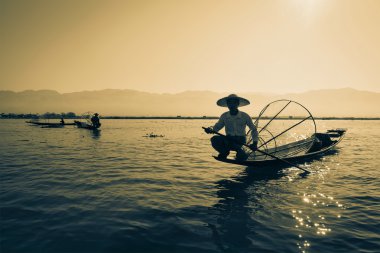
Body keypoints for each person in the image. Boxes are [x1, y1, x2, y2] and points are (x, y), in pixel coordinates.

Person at [204, 94, 259, 161]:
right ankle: (224, 152)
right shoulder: (224, 116)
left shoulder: (245, 116)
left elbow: (254, 129)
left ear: (237, 104)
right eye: (229, 103)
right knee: (214, 139)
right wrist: (210, 130)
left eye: (234, 103)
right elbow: (217, 127)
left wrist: (255, 143)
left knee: (241, 155)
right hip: (228, 139)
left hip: (241, 140)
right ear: (227, 104)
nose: (232, 105)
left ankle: (240, 151)